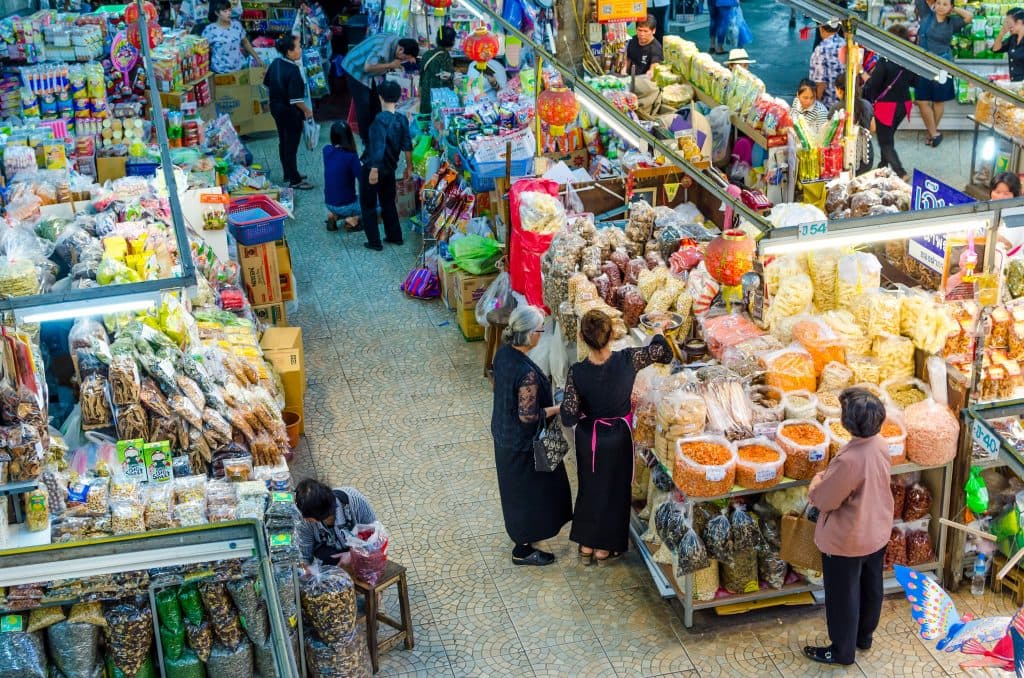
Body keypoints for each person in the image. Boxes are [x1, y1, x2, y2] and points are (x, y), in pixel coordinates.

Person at [561, 310, 672, 561]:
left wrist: (582, 406)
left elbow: (568, 416)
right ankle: (605, 548)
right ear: (612, 334)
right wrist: (657, 331)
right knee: (615, 491)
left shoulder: (577, 372)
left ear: (581, 337)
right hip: (618, 437)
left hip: (589, 439)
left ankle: (587, 544)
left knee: (590, 488)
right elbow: (663, 353)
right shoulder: (628, 359)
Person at [804, 388, 893, 666]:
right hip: (876, 530)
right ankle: (863, 637)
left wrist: (817, 481)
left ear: (847, 423)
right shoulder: (880, 444)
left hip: (847, 539)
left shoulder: (849, 460)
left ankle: (841, 651)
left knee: (843, 595)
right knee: (871, 587)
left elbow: (825, 500)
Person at [490, 306, 572, 566]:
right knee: (529, 494)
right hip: (522, 444)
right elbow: (528, 417)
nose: (541, 334)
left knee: (516, 492)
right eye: (540, 330)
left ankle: (524, 539)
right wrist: (560, 407)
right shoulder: (526, 374)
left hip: (504, 435)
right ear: (529, 335)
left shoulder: (504, 355)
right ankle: (523, 550)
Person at [360, 79, 412, 252]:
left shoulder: (379, 120)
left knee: (368, 205)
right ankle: (395, 236)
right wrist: (409, 167)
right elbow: (407, 145)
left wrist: (373, 169)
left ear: (381, 97)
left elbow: (377, 146)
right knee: (388, 202)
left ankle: (374, 242)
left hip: (373, 168)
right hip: (390, 168)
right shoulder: (402, 119)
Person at [342, 34, 419, 144]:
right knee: (363, 104)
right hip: (354, 67)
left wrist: (406, 60)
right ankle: (366, 139)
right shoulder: (383, 49)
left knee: (375, 101)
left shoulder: (399, 43)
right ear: (401, 49)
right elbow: (367, 67)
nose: (402, 61)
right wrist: (390, 65)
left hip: (369, 73)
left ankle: (377, 131)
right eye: (404, 58)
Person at [915, 0, 972, 147]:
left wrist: (954, 9)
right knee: (921, 101)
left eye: (945, 4)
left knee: (938, 100)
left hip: (943, 65)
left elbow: (968, 17)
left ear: (950, 8)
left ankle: (932, 133)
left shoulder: (952, 22)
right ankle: (935, 133)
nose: (940, 6)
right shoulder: (926, 14)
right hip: (924, 64)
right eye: (939, 3)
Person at [863, 24, 914, 179]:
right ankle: (883, 165)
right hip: (904, 105)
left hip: (886, 107)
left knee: (885, 141)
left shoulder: (885, 61)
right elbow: (915, 81)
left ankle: (901, 172)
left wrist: (861, 73)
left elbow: (873, 85)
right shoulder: (909, 60)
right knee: (889, 134)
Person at [264, 35, 314, 190]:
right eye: (298, 47)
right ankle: (295, 180)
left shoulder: (275, 63)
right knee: (291, 145)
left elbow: (266, 84)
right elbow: (296, 100)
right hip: (290, 113)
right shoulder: (293, 70)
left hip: (276, 109)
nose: (301, 50)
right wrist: (307, 111)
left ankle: (288, 173)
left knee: (283, 141)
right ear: (289, 52)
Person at [295, 478, 378, 569]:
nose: (304, 519)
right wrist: (306, 568)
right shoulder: (305, 517)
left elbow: (375, 539)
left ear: (320, 513)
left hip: (359, 551)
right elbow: (304, 552)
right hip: (328, 555)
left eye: (308, 518)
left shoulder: (356, 502)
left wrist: (353, 555)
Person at [830, 71, 875, 174]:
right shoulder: (867, 105)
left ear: (840, 90)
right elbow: (873, 129)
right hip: (866, 156)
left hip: (845, 158)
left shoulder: (836, 108)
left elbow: (831, 134)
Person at [202, 0, 262, 74]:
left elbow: (246, 43)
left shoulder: (237, 25)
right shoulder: (209, 30)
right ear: (217, 13)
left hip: (239, 68)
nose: (229, 13)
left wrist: (257, 58)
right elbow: (204, 51)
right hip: (219, 71)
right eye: (225, 11)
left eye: (229, 10)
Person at [323, 121, 362, 232]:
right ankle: (353, 219)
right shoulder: (351, 157)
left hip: (329, 203)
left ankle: (333, 215)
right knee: (378, 204)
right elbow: (362, 179)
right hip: (347, 205)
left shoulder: (326, 150)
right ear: (349, 136)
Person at [419, 26, 455, 115]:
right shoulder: (445, 57)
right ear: (453, 41)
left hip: (426, 96)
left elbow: (421, 76)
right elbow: (447, 80)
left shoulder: (427, 54)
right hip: (438, 101)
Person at [809, 22, 844, 109]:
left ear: (821, 29)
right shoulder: (846, 44)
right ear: (838, 28)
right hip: (845, 103)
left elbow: (820, 83)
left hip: (828, 106)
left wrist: (815, 108)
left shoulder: (821, 49)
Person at [992, 172, 1024, 252]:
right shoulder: (989, 206)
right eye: (997, 192)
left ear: (1015, 195)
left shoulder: (1018, 217)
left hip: (1005, 261)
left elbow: (1006, 244)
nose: (1001, 197)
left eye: (1006, 193)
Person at [993, 8, 1024, 82]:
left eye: (1009, 23)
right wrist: (1001, 34)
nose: (1007, 26)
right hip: (1015, 84)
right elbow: (995, 49)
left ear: (1019, 22)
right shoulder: (1013, 38)